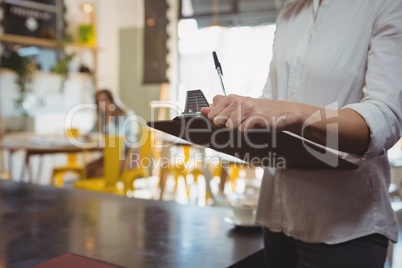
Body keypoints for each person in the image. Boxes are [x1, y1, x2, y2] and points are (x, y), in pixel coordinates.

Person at [201, 0, 402, 267]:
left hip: (344, 227)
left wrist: (291, 112)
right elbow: (273, 98)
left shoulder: (385, 5)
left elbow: (385, 118)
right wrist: (240, 118)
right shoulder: (290, 10)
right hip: (276, 217)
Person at [85, 89, 138, 178]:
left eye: (105, 100)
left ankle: (106, 190)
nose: (103, 104)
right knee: (87, 169)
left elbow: (116, 138)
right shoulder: (102, 116)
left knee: (97, 173)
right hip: (111, 155)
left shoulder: (124, 115)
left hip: (126, 156)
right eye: (99, 102)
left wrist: (109, 117)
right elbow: (93, 131)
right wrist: (88, 135)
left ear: (113, 100)